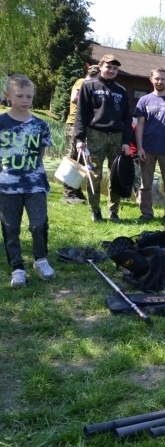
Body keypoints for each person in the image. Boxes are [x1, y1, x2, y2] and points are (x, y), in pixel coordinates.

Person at [0, 75, 56, 288]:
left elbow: (40, 153)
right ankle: (17, 267)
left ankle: (40, 259)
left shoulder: (40, 125)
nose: (25, 100)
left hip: (35, 184)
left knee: (39, 224)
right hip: (7, 185)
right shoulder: (1, 123)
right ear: (8, 96)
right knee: (10, 227)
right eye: (20, 95)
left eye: (29, 96)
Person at [74, 53, 133, 223]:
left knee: (117, 176)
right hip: (95, 135)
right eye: (108, 67)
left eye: (115, 68)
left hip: (116, 137)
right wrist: (79, 138)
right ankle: (95, 211)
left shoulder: (121, 91)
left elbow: (127, 118)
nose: (111, 70)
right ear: (100, 66)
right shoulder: (88, 86)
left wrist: (126, 142)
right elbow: (81, 114)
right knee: (94, 175)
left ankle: (113, 212)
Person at [134, 68, 165, 231]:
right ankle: (146, 214)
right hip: (147, 150)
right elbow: (139, 125)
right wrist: (139, 147)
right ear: (151, 79)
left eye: (162, 79)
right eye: (156, 79)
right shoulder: (144, 101)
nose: (159, 82)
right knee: (145, 185)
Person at [61, 64, 99, 204]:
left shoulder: (88, 84)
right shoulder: (83, 82)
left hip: (84, 125)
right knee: (72, 158)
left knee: (81, 159)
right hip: (74, 124)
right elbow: (74, 98)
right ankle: (68, 193)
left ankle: (75, 189)